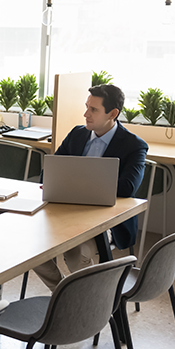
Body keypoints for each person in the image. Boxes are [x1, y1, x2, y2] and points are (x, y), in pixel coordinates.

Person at [33, 84, 148, 290]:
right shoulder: (77, 134)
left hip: (106, 220)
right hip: (65, 214)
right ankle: (67, 295)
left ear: (113, 113)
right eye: (87, 106)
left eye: (93, 109)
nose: (86, 113)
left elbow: (127, 188)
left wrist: (74, 181)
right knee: (31, 246)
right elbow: (48, 173)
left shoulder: (134, 145)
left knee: (77, 251)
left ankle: (81, 301)